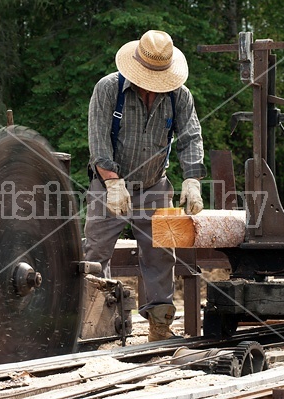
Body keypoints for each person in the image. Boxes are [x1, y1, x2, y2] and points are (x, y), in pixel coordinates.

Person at [85, 30, 206, 341]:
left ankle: (159, 326)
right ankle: (90, 327)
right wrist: (112, 182)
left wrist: (192, 178)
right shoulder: (108, 90)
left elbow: (190, 138)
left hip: (155, 185)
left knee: (160, 256)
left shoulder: (179, 95)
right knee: (95, 255)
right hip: (108, 183)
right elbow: (98, 141)